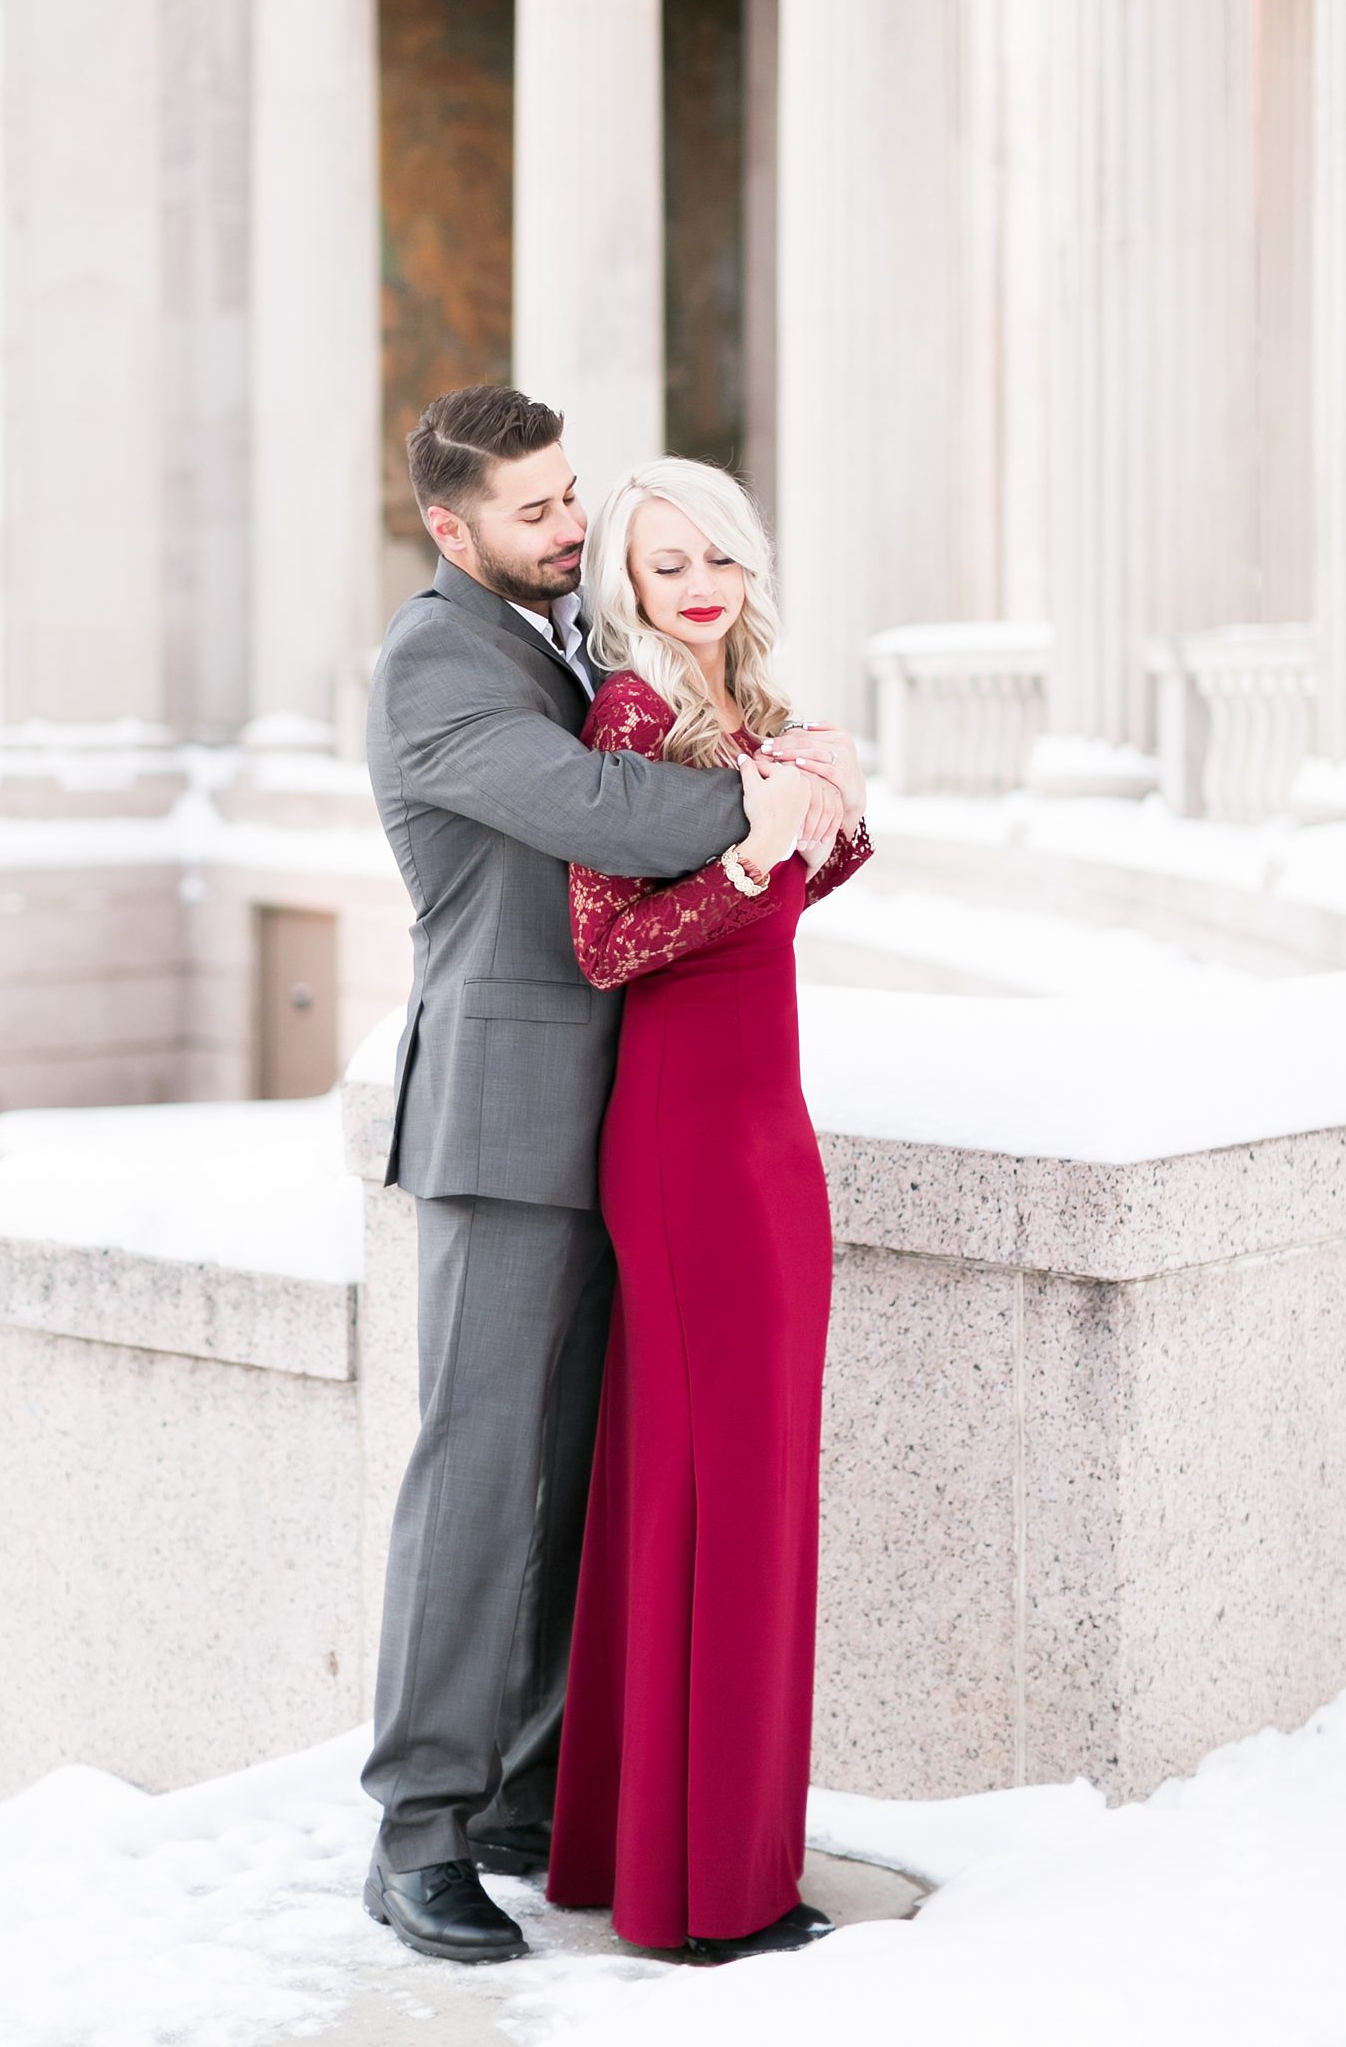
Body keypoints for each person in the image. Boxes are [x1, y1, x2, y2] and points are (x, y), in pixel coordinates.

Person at [360, 387, 846, 1967]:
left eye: (574, 500)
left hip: (636, 1120)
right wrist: (771, 798)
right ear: (452, 529)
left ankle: (524, 1796)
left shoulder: (566, 638)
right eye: (535, 512)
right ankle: (419, 1836)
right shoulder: (438, 658)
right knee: (483, 1479)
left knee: (584, 1480)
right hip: (508, 1120)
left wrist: (800, 777)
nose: (571, 529)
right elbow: (589, 809)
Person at [544, 457, 871, 1962]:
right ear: (623, 577)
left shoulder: (735, 707)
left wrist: (826, 800)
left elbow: (790, 901)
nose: (696, 581)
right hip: (681, 1138)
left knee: (749, 1485)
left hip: (765, 1133)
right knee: (711, 1489)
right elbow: (611, 945)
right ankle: (704, 1896)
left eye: (716, 555)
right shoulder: (628, 716)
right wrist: (754, 843)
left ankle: (686, 1854)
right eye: (664, 560)